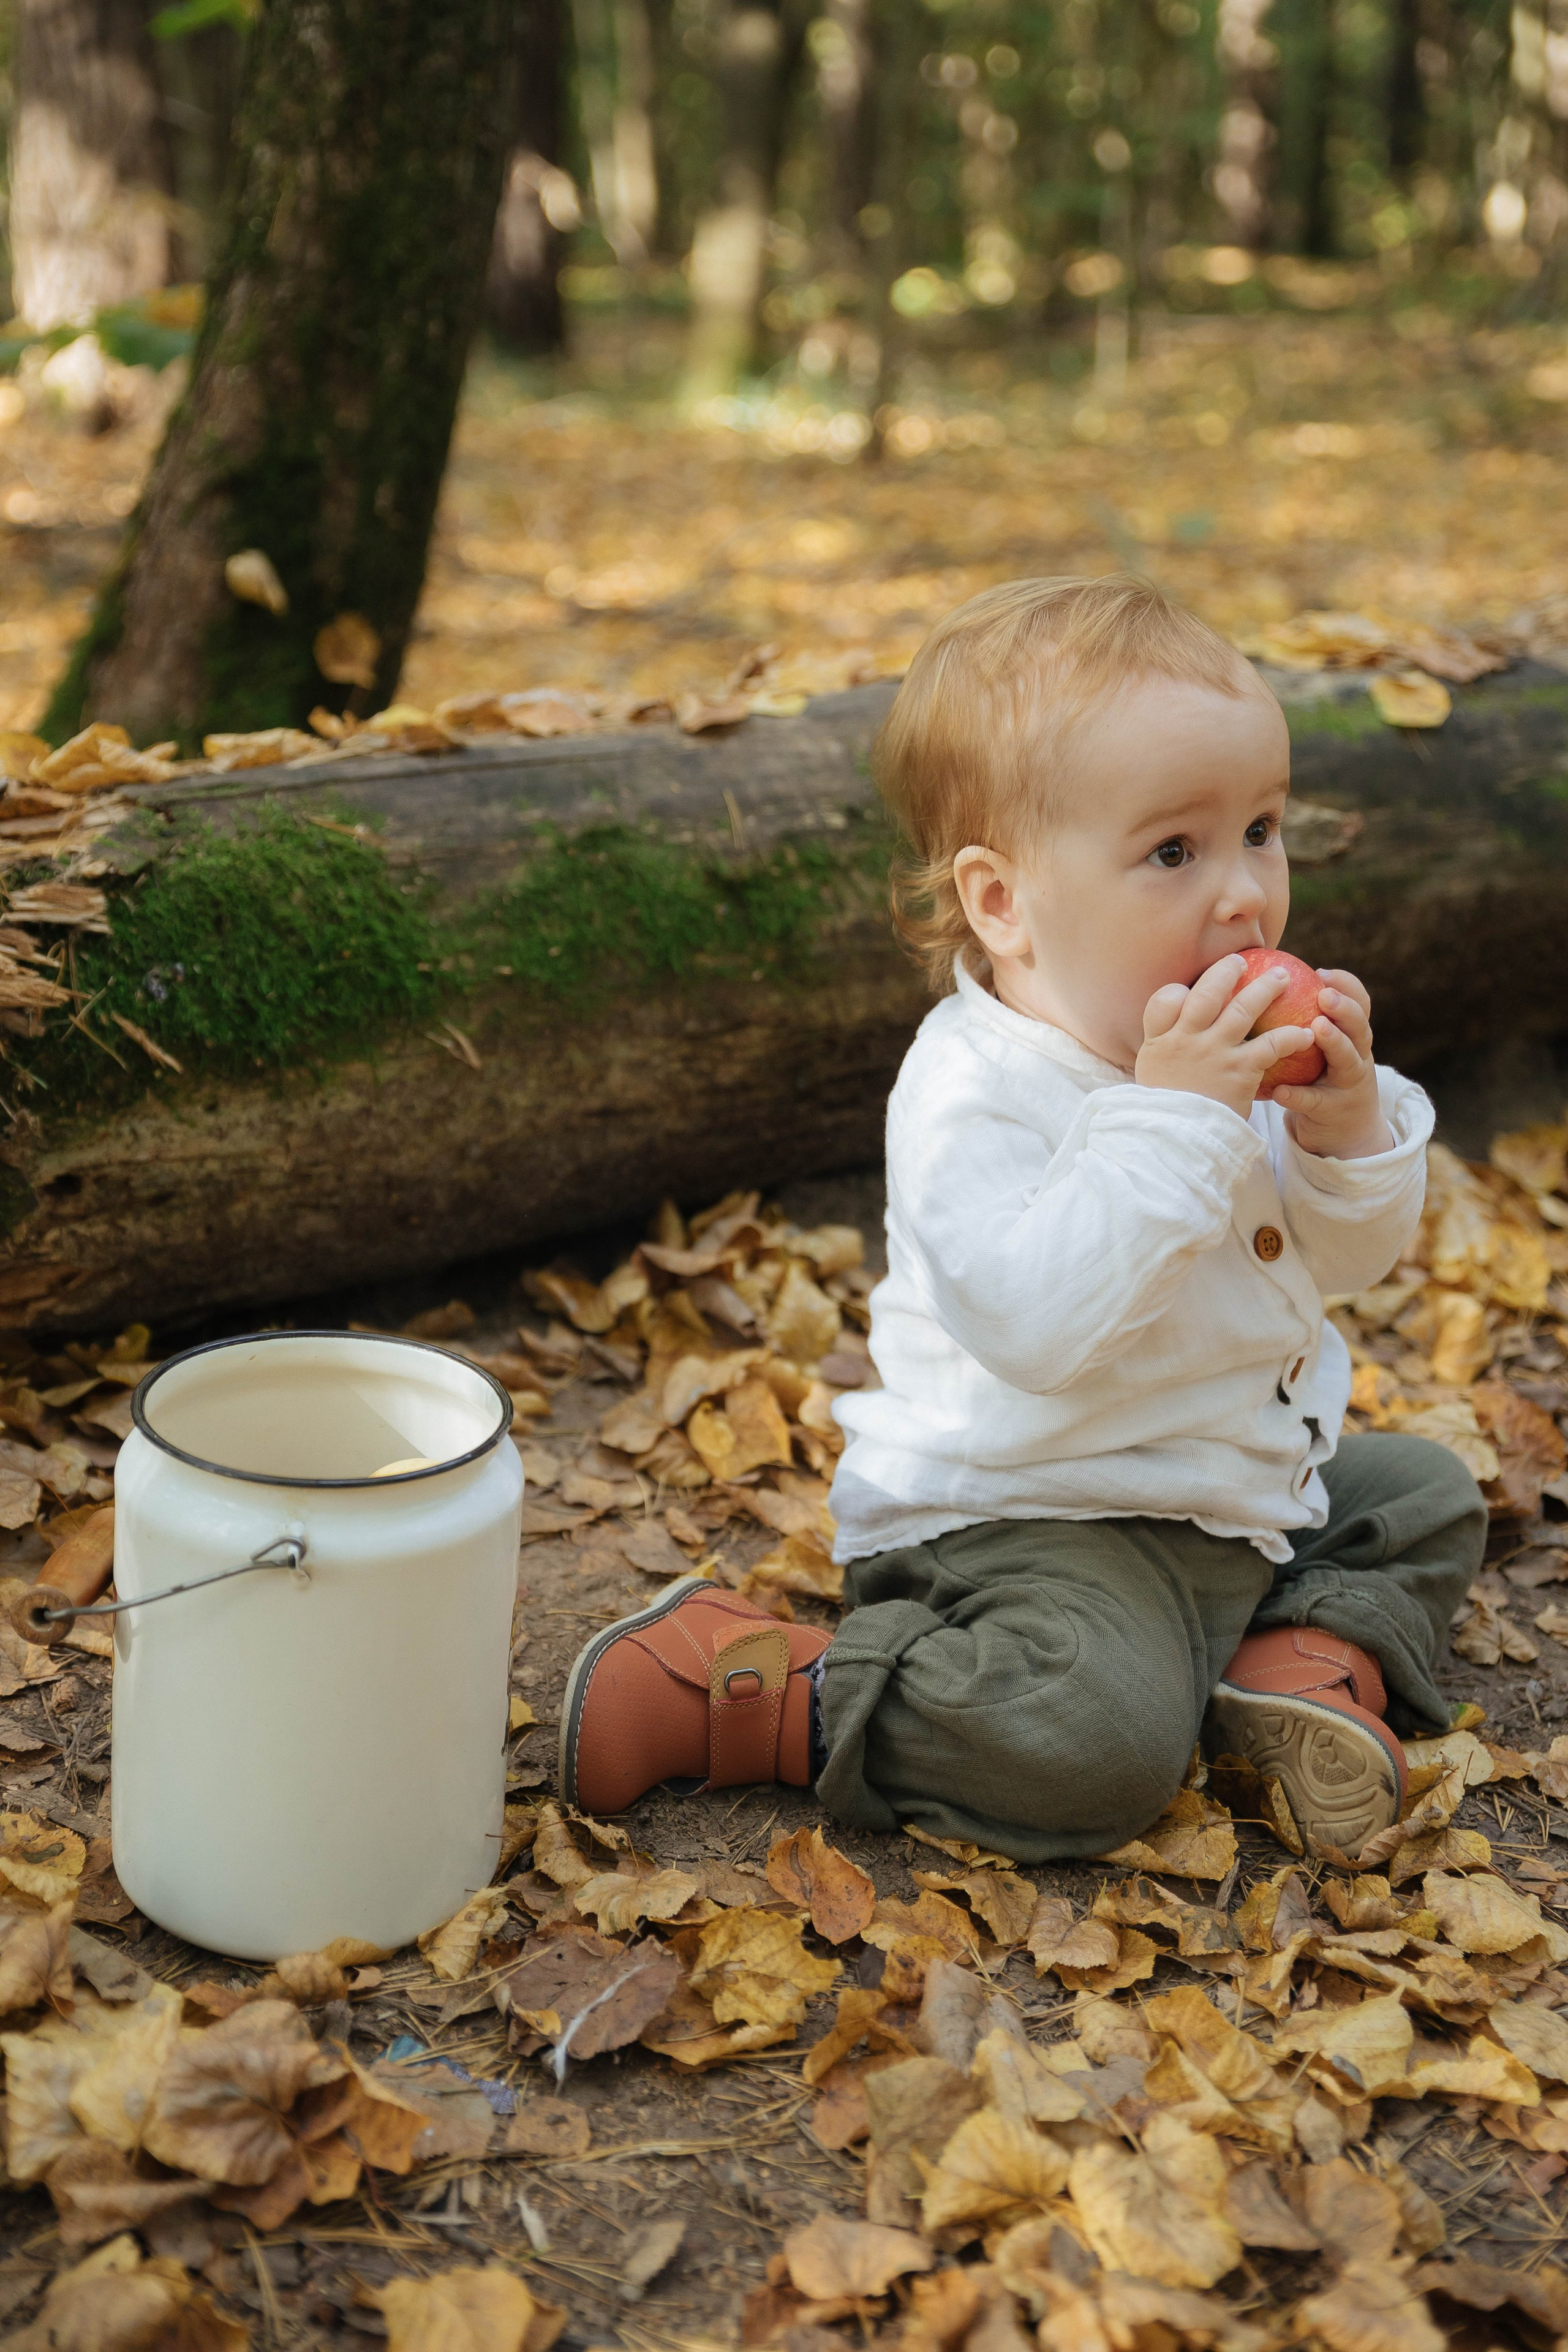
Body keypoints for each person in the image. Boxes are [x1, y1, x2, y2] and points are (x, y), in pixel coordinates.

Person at [558, 575, 1485, 1863]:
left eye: (1260, 830)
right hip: (1024, 1520)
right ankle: (745, 1689)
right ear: (1002, 903)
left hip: (1225, 1489)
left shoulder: (1212, 1056)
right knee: (1091, 1744)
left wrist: (1343, 1135)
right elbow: (1037, 1331)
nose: (1242, 895)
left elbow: (1344, 1264)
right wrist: (1178, 1120)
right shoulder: (972, 1090)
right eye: (1174, 852)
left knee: (1426, 1494)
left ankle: (1280, 1667)